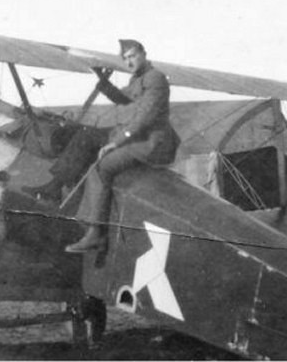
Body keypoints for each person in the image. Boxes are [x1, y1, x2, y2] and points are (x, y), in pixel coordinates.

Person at [23, 39, 180, 252]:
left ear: (143, 53)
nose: (129, 61)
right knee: (85, 134)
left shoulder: (156, 79)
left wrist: (116, 142)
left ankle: (95, 233)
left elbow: (144, 118)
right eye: (125, 58)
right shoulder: (140, 78)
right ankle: (54, 186)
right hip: (138, 136)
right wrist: (101, 78)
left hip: (152, 144)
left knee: (102, 167)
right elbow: (124, 98)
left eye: (133, 56)